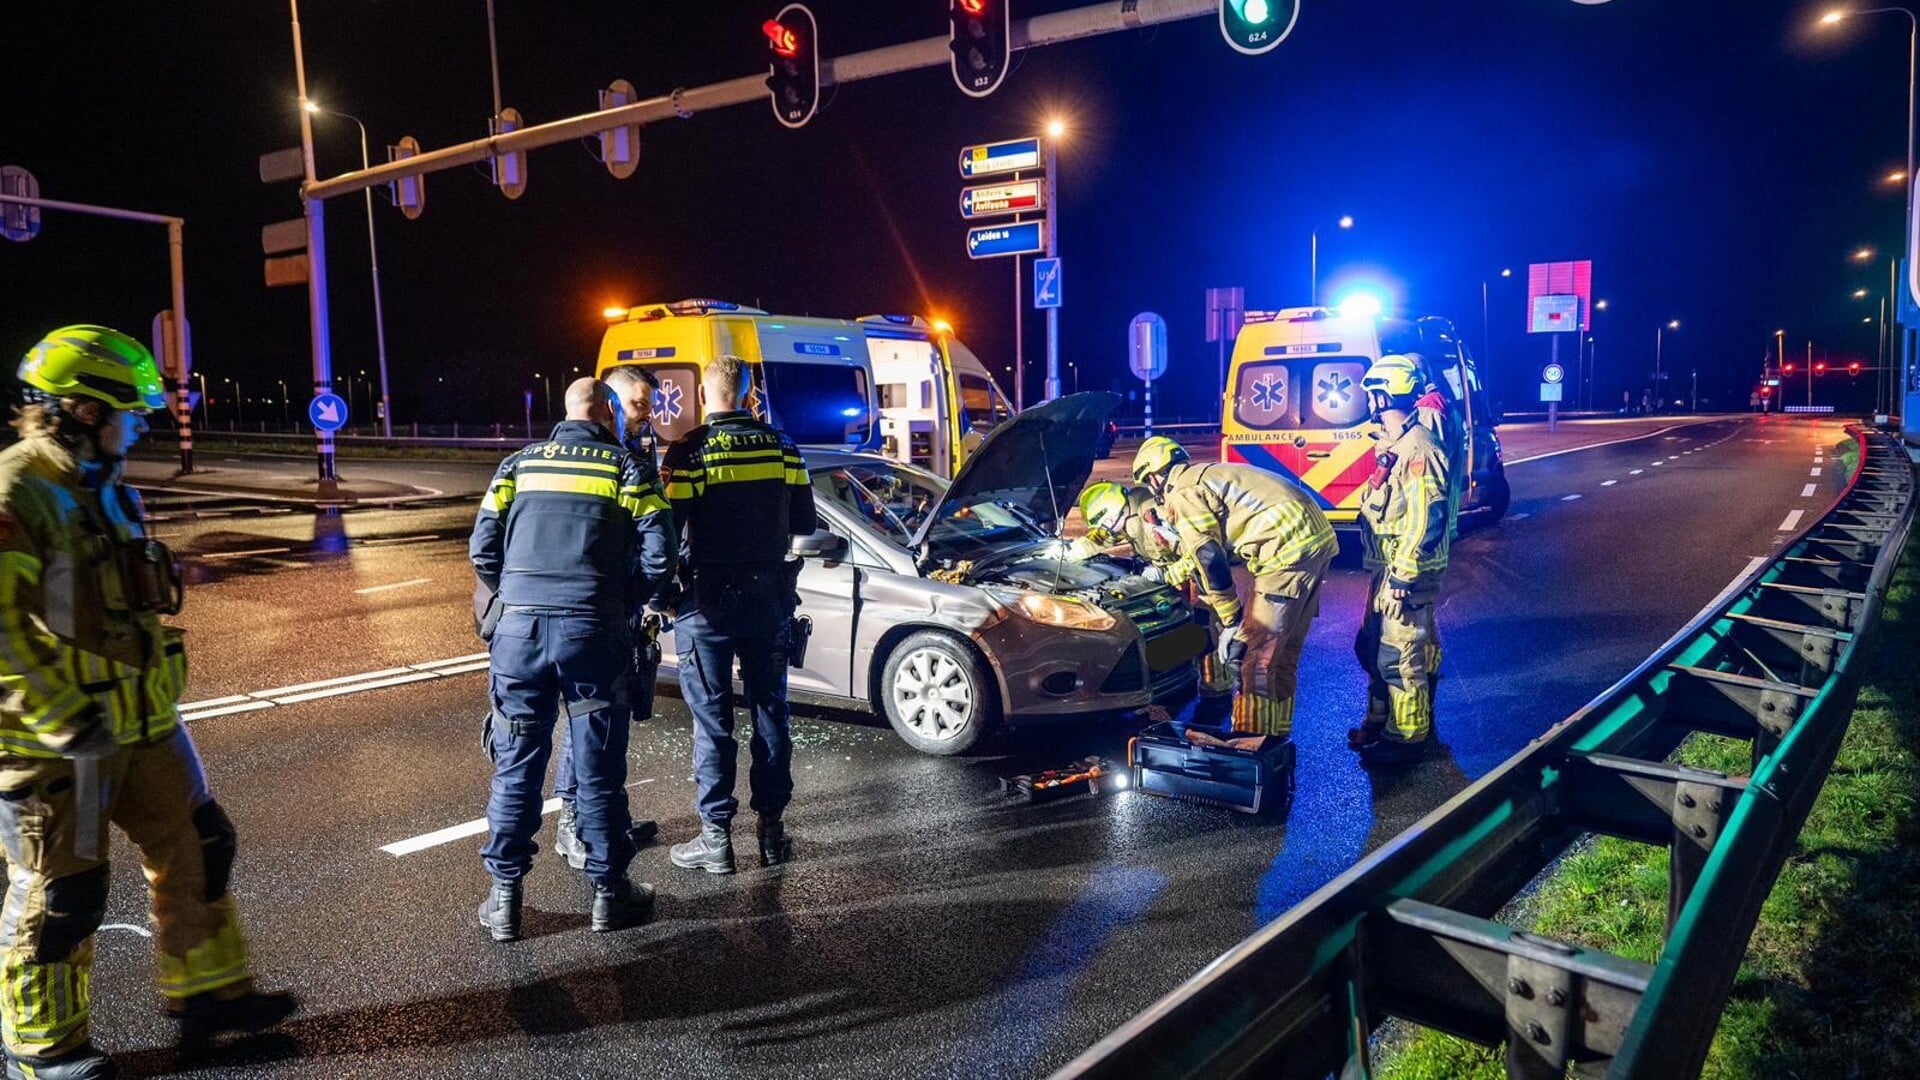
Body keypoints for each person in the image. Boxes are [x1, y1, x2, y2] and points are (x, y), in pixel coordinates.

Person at [0, 326, 297, 1077]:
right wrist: (64, 715)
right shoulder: (17, 489)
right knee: (61, 894)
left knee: (201, 841)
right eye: (128, 412)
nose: (139, 425)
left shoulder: (103, 481)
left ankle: (209, 995)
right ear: (79, 409)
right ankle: (42, 1052)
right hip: (58, 738)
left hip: (141, 720)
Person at [469, 377, 675, 941]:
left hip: (519, 635)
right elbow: (661, 552)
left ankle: (505, 898)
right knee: (599, 769)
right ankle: (610, 895)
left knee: (516, 765)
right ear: (609, 414)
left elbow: (481, 549)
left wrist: (516, 596)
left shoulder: (516, 465)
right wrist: (622, 599)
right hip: (592, 633)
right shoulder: (626, 470)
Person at [661, 355, 815, 875]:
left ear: (706, 396)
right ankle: (771, 832)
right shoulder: (783, 446)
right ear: (749, 393)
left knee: (713, 722)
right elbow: (805, 521)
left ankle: (715, 840)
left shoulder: (690, 450)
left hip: (706, 604)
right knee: (772, 712)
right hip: (769, 598)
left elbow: (668, 525)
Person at [1130, 437, 1337, 740]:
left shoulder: (1183, 493)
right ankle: (1275, 742)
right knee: (1283, 654)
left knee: (1252, 658)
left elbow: (1210, 557)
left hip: (1283, 550)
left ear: (1154, 477)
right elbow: (1201, 553)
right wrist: (1170, 571)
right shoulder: (1205, 475)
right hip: (1315, 540)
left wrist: (1230, 621)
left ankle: (1248, 747)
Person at [550, 364, 666, 871]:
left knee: (614, 718)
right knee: (586, 719)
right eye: (639, 405)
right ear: (610, 406)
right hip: (591, 609)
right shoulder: (590, 459)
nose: (648, 415)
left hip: (622, 605)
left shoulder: (639, 449)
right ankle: (571, 823)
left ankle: (607, 818)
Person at [1348, 354, 1452, 766]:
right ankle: (1380, 720)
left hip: (1403, 573)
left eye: (1372, 392)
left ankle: (1407, 739)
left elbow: (1429, 518)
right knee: (1373, 645)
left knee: (1400, 654)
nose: (1369, 400)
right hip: (1385, 569)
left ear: (1384, 392)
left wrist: (1402, 578)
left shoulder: (1418, 448)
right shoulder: (1394, 444)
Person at [1066, 482, 1233, 700]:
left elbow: (1198, 552)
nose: (1106, 529)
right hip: (1176, 572)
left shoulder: (1153, 514)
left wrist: (1167, 575)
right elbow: (1099, 538)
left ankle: (1217, 686)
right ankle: (1183, 674)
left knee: (1209, 620)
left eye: (1106, 522)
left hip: (1202, 567)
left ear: (1114, 512)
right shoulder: (1124, 516)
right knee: (1184, 622)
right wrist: (1067, 552)